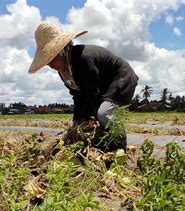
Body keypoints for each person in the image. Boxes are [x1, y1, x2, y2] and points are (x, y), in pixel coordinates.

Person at [28, 22, 138, 150]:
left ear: (62, 51)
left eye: (51, 59)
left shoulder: (83, 59)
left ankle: (120, 147)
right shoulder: (64, 71)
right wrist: (76, 121)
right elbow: (77, 95)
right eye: (47, 62)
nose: (50, 65)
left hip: (121, 78)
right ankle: (104, 147)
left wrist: (81, 121)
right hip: (101, 85)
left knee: (104, 113)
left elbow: (91, 93)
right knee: (93, 117)